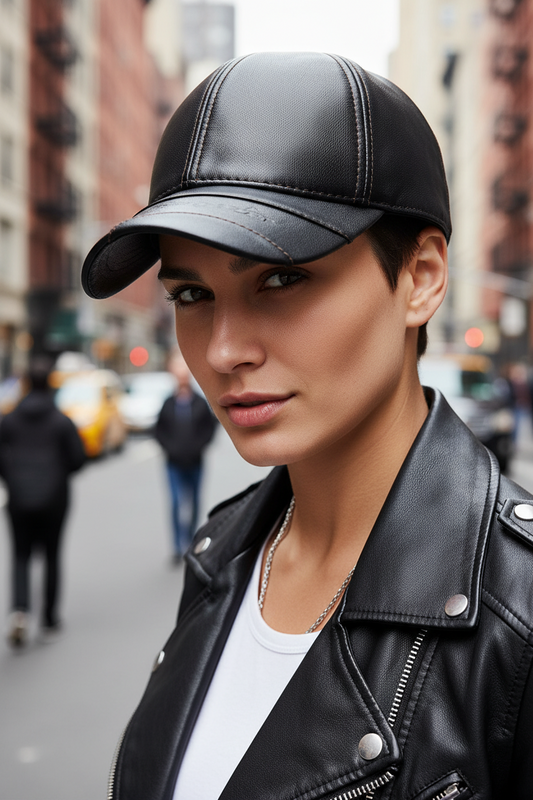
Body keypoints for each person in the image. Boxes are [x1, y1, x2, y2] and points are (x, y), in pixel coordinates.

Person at [82, 53, 533, 799]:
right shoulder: (222, 553)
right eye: (191, 294)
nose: (224, 350)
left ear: (418, 277)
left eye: (281, 278)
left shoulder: (515, 616)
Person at [0, 358, 86, 646]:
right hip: (54, 499)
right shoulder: (61, 421)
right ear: (50, 383)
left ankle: (20, 612)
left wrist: (12, 477)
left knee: (20, 555)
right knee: (52, 555)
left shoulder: (10, 420)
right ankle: (49, 618)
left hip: (19, 498)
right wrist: (58, 472)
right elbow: (77, 459)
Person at [154, 353, 217, 562]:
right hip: (173, 463)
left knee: (194, 502)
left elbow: (210, 428)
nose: (182, 379)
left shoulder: (199, 403)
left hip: (195, 461)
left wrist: (200, 446)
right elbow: (159, 430)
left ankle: (190, 539)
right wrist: (169, 448)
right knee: (175, 502)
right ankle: (176, 545)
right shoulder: (168, 404)